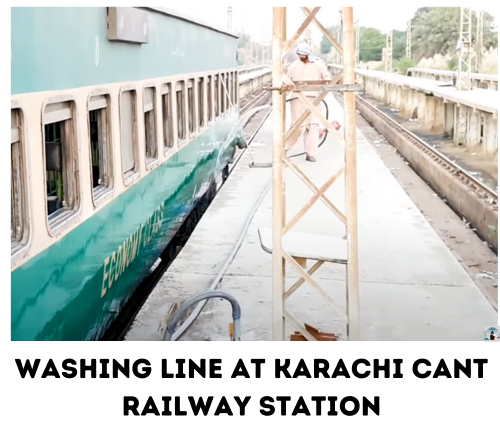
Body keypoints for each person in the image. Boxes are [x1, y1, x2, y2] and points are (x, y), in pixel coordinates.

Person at [285, 43, 341, 162]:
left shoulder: (318, 65)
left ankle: (310, 153)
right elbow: (287, 82)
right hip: (297, 100)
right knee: (297, 127)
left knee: (313, 127)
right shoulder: (294, 66)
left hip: (314, 99)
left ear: (308, 54)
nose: (301, 56)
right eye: (299, 54)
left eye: (303, 54)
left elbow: (326, 79)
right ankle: (285, 148)